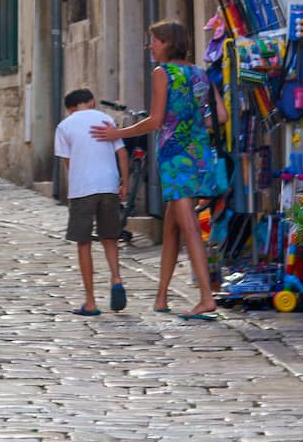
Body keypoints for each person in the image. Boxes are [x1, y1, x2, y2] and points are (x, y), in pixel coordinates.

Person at [93, 19, 228, 318]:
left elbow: (155, 121)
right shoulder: (199, 73)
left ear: (167, 42)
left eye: (154, 40)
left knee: (189, 226)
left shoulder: (162, 73)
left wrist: (118, 134)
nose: (150, 46)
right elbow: (220, 115)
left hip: (174, 157)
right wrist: (192, 125)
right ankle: (161, 297)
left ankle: (206, 296)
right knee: (172, 227)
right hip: (199, 154)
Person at [55, 88, 129, 316]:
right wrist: (124, 182)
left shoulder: (64, 126)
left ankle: (90, 301)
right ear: (92, 102)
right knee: (110, 238)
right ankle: (116, 278)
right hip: (108, 184)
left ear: (70, 108)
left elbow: (68, 162)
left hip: (82, 189)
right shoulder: (106, 119)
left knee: (84, 242)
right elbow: (122, 152)